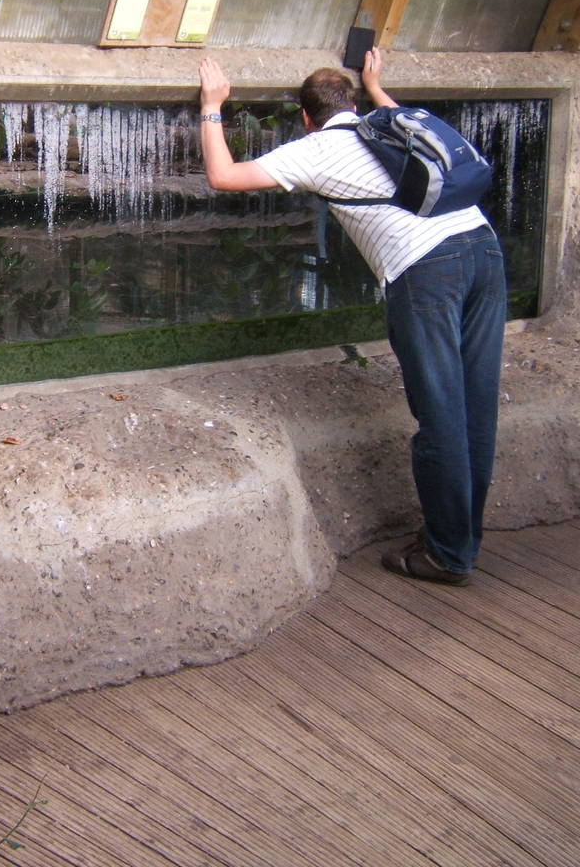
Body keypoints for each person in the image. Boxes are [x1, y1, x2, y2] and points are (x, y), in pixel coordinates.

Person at [196, 49, 507, 586]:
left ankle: (448, 554)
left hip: (428, 269)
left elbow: (223, 177)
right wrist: (377, 85)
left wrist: (211, 106)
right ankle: (463, 541)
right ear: (355, 102)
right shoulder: (388, 123)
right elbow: (416, 126)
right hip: (485, 251)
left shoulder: (317, 149)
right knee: (475, 407)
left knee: (441, 415)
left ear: (307, 117)